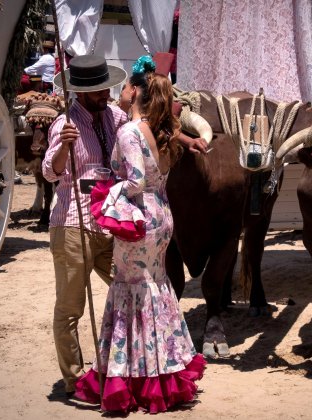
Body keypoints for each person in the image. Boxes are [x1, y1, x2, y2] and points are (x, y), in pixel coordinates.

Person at [74, 55, 205, 414]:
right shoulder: (158, 130)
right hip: (160, 214)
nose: (121, 91)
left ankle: (137, 376)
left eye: (126, 86)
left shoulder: (130, 132)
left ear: (134, 92)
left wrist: (105, 192)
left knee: (132, 290)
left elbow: (134, 181)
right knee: (155, 288)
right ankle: (165, 368)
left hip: (139, 219)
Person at [42, 54, 128, 397]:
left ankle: (124, 364)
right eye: (97, 91)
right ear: (80, 92)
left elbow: (134, 133)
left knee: (129, 287)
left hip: (111, 223)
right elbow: (50, 171)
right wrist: (65, 144)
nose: (104, 94)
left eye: (106, 88)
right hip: (73, 224)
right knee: (70, 308)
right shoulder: (64, 123)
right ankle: (75, 379)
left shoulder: (115, 116)